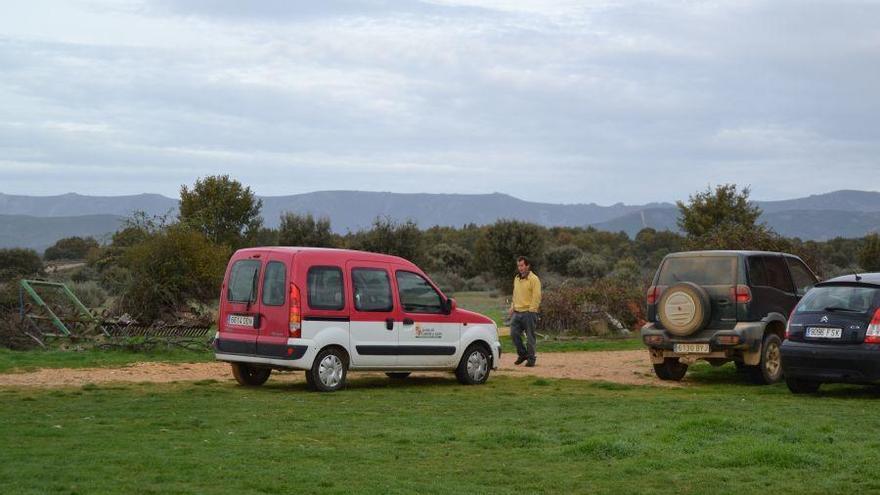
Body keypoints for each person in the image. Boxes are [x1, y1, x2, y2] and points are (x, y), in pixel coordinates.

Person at [508, 256, 541, 367]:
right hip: (517, 312)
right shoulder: (516, 278)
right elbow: (515, 294)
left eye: (522, 265)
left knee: (530, 337)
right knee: (513, 334)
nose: (520, 268)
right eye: (519, 266)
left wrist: (532, 310)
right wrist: (512, 306)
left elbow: (537, 296)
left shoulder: (534, 279)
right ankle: (522, 354)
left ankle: (531, 359)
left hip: (529, 312)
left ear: (527, 266)